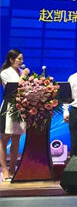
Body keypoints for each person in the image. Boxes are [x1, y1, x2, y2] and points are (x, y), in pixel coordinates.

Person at [0, 49, 29, 181]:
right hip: (9, 107)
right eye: (19, 59)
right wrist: (24, 76)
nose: (21, 61)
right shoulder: (5, 73)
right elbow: (15, 88)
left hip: (20, 107)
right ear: (11, 59)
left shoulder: (22, 72)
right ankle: (4, 170)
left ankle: (13, 169)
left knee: (16, 138)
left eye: (22, 59)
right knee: (5, 138)